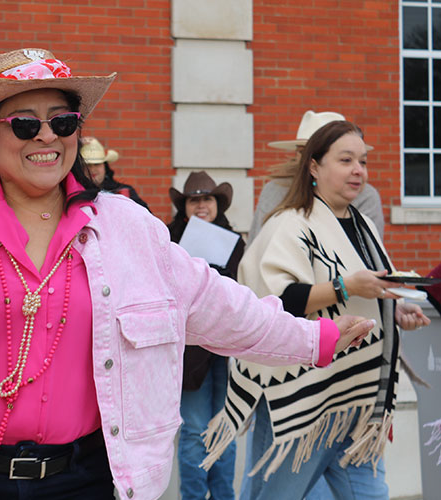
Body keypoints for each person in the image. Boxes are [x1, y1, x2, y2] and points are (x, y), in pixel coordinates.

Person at [0, 48, 374, 500]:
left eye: (63, 121)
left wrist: (314, 337)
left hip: (90, 479)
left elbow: (217, 305)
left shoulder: (128, 228)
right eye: (24, 124)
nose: (46, 136)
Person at [203, 120, 431, 500]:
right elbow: (275, 301)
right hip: (302, 403)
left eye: (362, 161)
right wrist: (345, 287)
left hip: (355, 402)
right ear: (313, 166)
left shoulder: (363, 227)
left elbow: (371, 293)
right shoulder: (289, 224)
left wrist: (397, 312)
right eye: (346, 160)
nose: (359, 170)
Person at [166, 171, 244, 500]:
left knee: (225, 429)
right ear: (184, 207)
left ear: (217, 204)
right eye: (194, 200)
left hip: (225, 347)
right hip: (191, 349)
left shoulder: (234, 241)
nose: (201, 205)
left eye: (207, 199)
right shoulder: (169, 241)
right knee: (195, 431)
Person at [250, 110, 385, 242]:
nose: (357, 170)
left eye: (362, 161)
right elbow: (257, 247)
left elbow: (367, 255)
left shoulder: (364, 196)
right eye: (302, 152)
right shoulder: (276, 190)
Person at [79, 136, 149, 210]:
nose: (92, 169)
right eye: (87, 165)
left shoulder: (123, 191)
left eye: (97, 164)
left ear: (105, 166)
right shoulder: (73, 194)